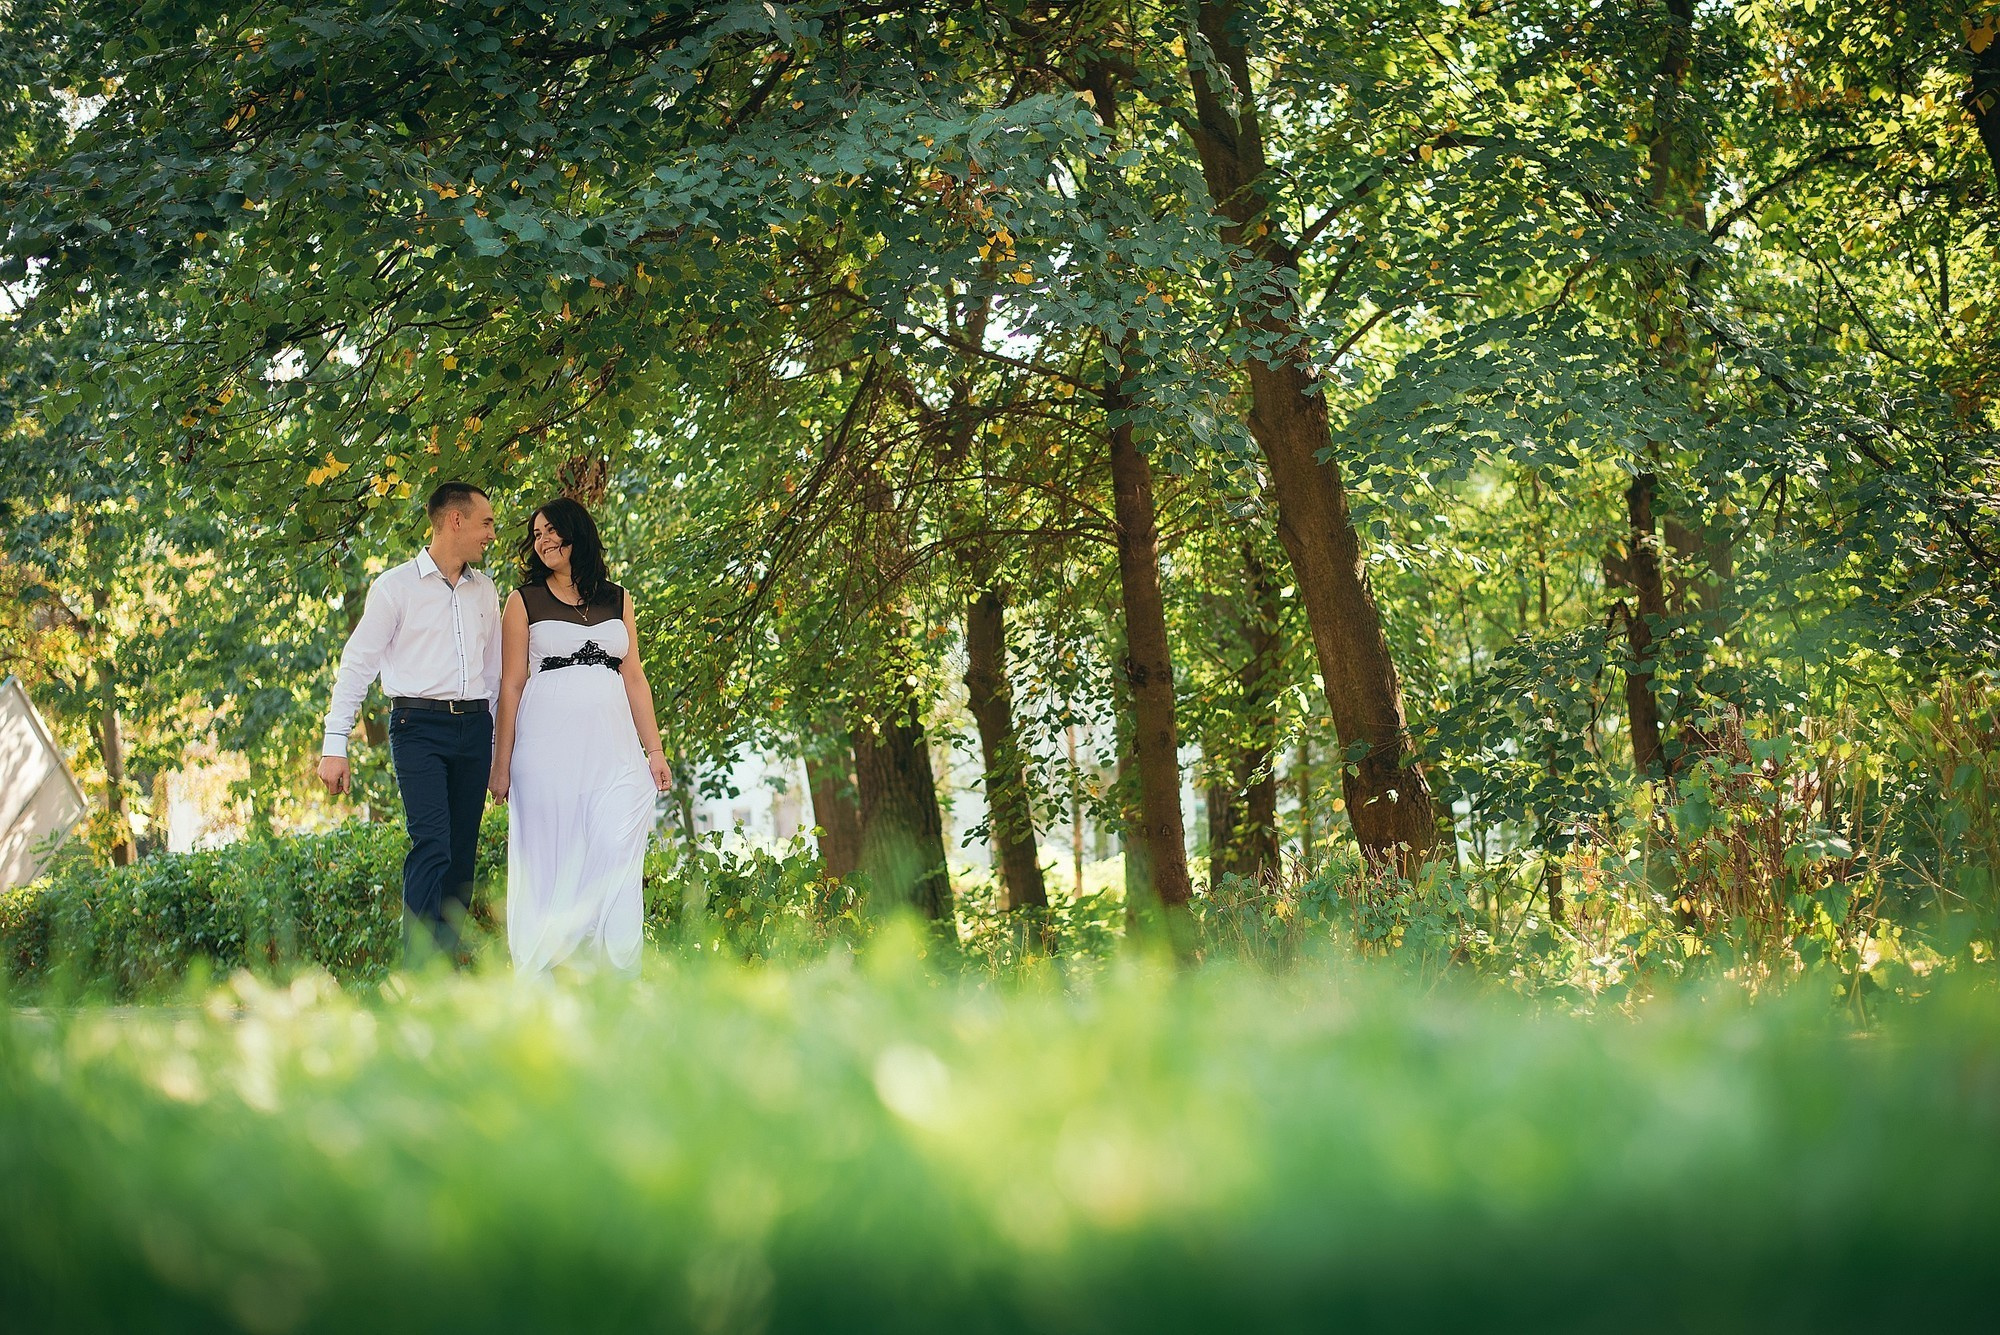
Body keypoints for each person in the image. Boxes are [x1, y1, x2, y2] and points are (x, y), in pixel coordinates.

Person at [318, 482, 501, 964]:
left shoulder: (485, 591)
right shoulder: (394, 587)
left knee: (462, 854)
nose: (492, 534)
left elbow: (497, 674)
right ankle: (419, 971)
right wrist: (335, 743)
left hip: (476, 729)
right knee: (433, 843)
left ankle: (445, 967)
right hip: (418, 728)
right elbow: (357, 664)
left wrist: (502, 750)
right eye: (486, 523)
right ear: (454, 521)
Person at [489, 497, 671, 977]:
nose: (543, 540)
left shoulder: (618, 598)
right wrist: (500, 765)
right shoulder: (522, 601)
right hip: (546, 753)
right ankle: (553, 969)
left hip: (614, 752)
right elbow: (511, 683)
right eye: (537, 534)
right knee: (554, 856)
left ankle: (615, 968)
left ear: (576, 533)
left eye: (551, 530)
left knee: (616, 843)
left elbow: (634, 677)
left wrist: (654, 751)